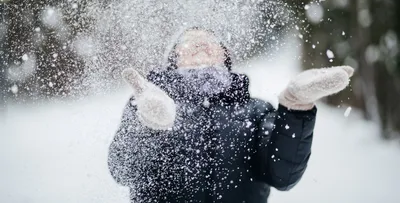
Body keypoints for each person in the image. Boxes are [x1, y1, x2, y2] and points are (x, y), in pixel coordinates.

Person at [108, 28, 354, 203]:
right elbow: (122, 172)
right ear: (174, 59)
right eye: (188, 41)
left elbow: (282, 176)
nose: (200, 43)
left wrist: (295, 110)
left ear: (224, 56)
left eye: (210, 41)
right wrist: (147, 127)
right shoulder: (147, 104)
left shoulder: (257, 111)